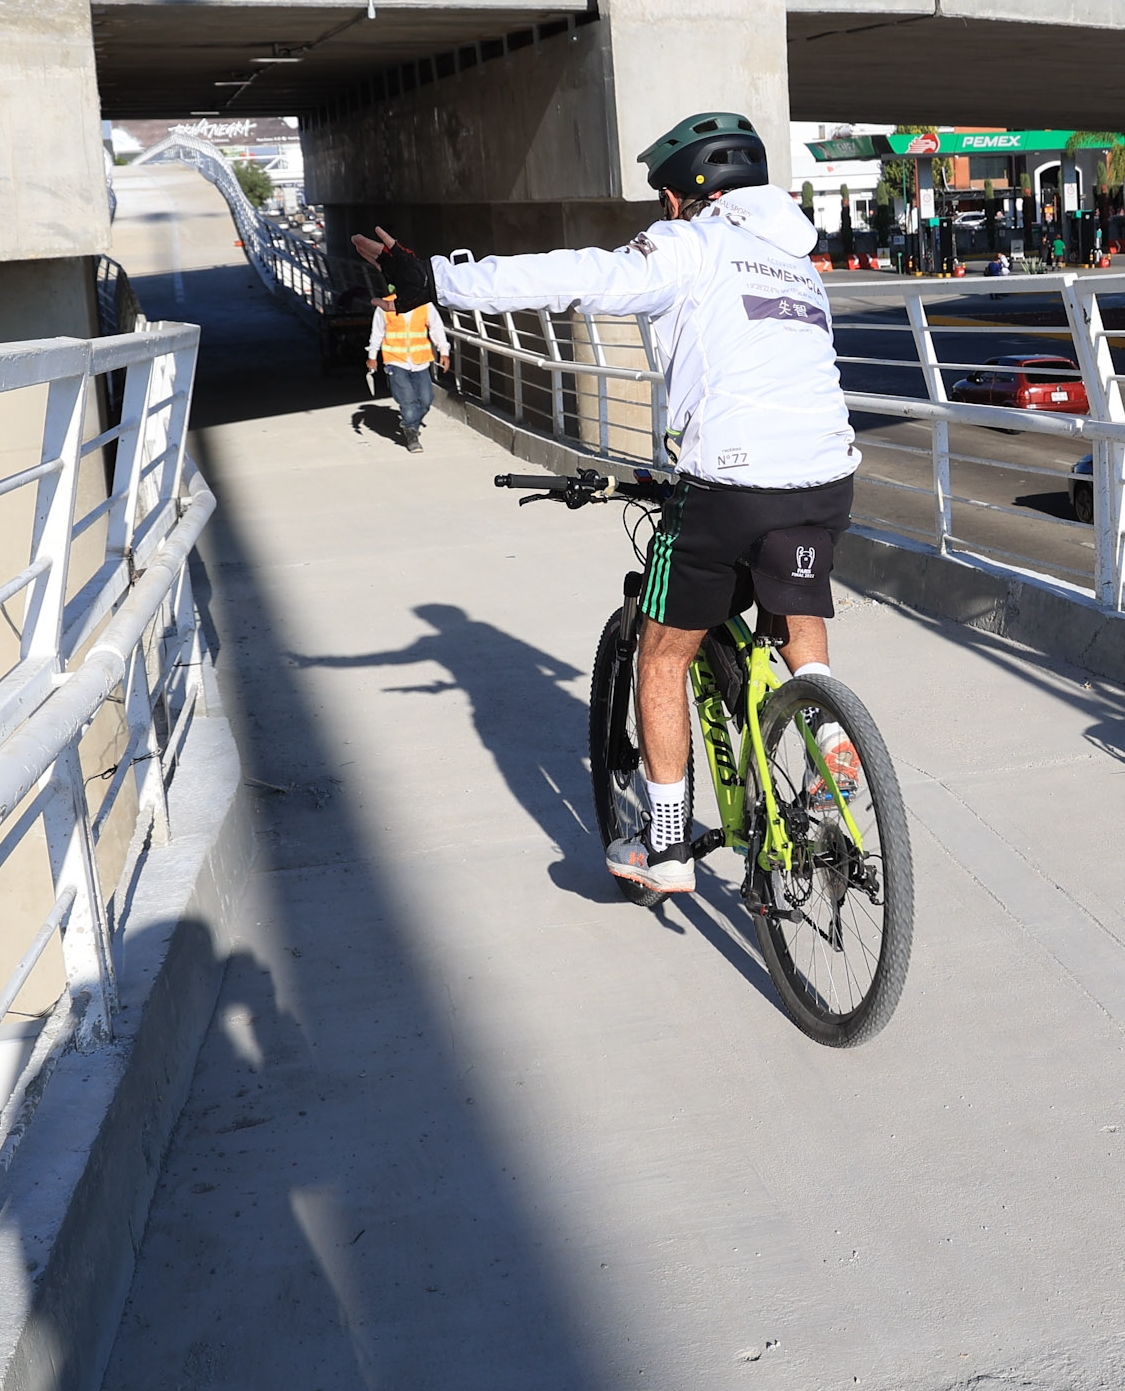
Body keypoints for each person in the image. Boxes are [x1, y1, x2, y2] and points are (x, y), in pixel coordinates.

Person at [357, 112, 858, 898]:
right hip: (827, 479)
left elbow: (578, 275)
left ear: (683, 195)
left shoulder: (689, 246)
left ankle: (663, 846)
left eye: (664, 196)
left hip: (731, 483)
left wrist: (439, 281)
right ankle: (832, 733)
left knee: (662, 655)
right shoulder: (798, 266)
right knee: (797, 594)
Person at [364, 280, 448, 450]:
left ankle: (411, 424)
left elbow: (436, 328)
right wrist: (372, 356)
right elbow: (377, 333)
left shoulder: (425, 305)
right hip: (396, 361)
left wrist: (444, 351)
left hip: (420, 361)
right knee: (408, 400)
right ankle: (411, 434)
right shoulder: (385, 307)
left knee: (426, 400)